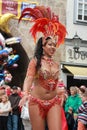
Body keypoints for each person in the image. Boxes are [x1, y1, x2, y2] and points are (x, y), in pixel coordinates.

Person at [19, 5, 67, 130]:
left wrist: (60, 92)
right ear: (43, 46)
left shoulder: (56, 64)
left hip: (54, 102)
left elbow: (55, 84)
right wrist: (25, 94)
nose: (53, 47)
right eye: (50, 44)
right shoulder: (35, 61)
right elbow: (28, 79)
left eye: (55, 45)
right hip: (36, 102)